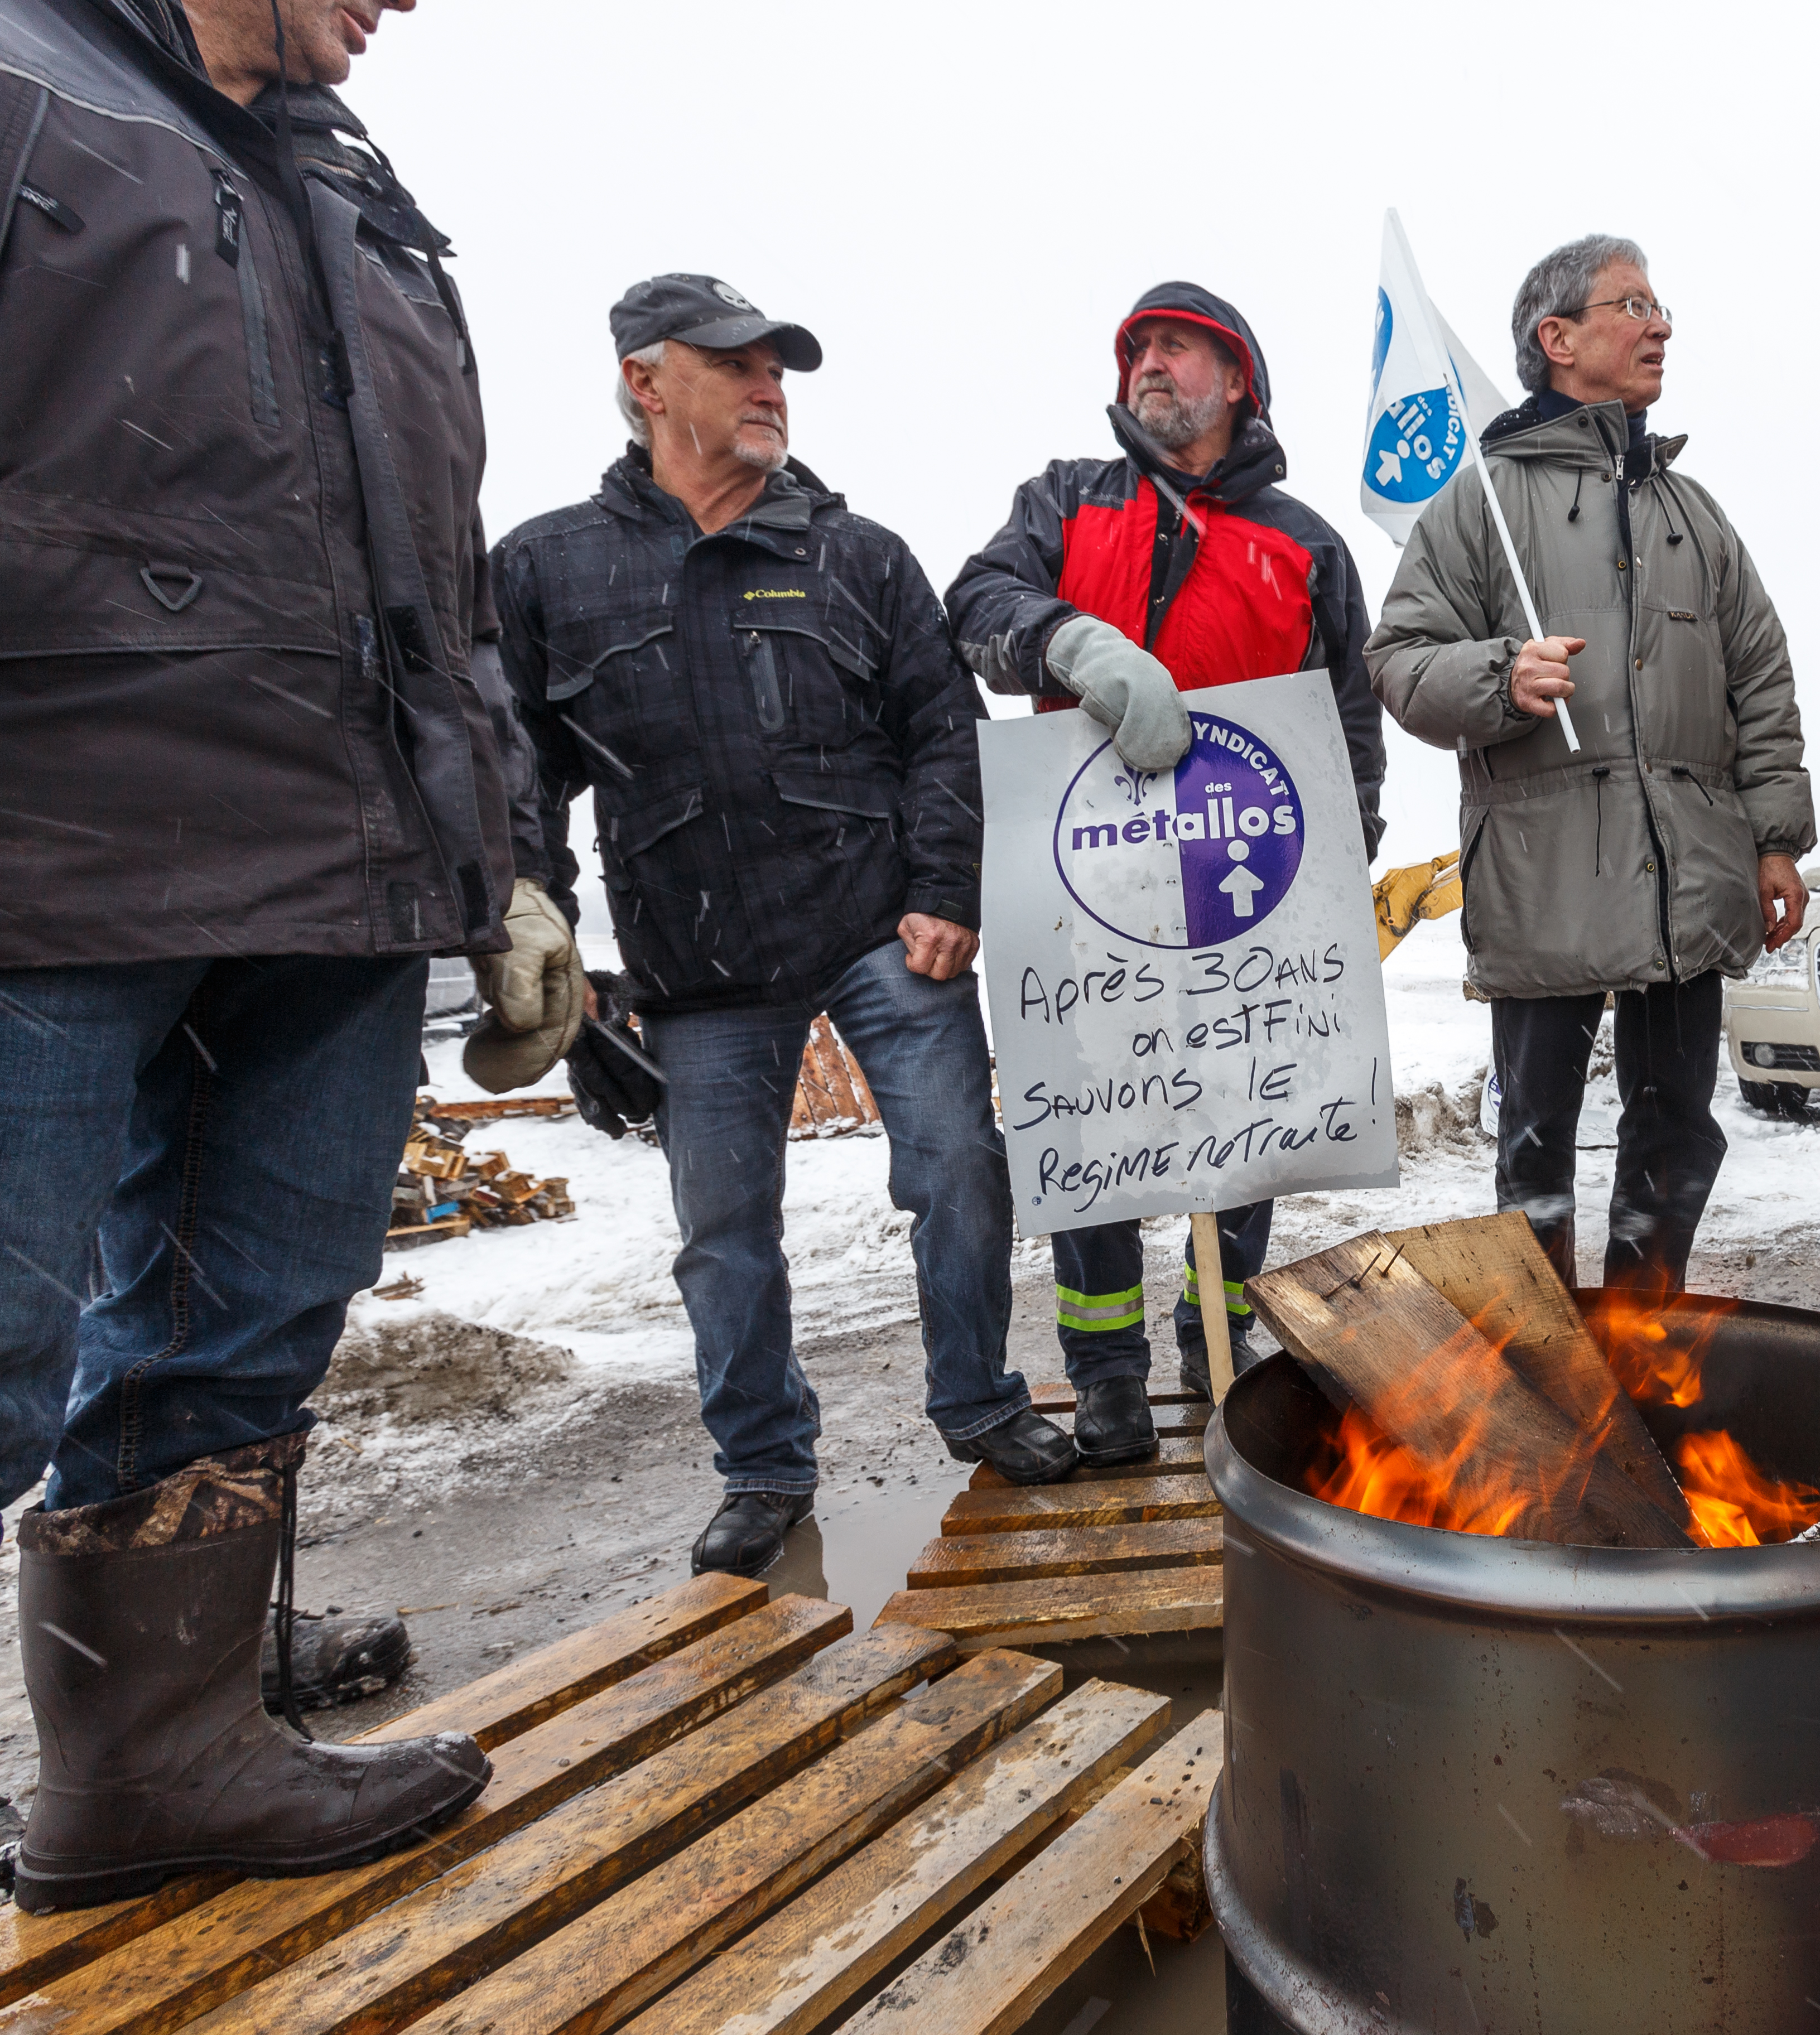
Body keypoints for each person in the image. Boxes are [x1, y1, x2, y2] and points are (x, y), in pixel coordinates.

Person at [0, 0, 561, 1909]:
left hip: (335, 866)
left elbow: (448, 580)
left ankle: (154, 1766)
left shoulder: (357, 190)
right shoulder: (20, 79)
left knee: (241, 1318)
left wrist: (500, 859)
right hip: (49, 840)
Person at [493, 275, 1080, 1581]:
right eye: (735, 365)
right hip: (695, 964)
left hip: (878, 925)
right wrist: (546, 935)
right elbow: (517, 766)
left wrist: (947, 890)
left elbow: (941, 731)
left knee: (956, 1167)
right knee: (724, 1229)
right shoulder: (548, 568)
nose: (770, 390)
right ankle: (761, 1464)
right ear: (649, 382)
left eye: (779, 369)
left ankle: (981, 1401)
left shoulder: (858, 556)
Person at [947, 283, 1386, 1415]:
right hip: (1085, 877)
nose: (1149, 363)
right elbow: (978, 605)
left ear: (1238, 379)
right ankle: (1104, 1374)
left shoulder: (1304, 545)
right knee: (1095, 1121)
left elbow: (1348, 724)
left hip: (1246, 883)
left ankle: (1218, 1333)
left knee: (1247, 1110)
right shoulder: (1065, 501)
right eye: (1137, 347)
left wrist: (1346, 869)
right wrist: (1070, 642)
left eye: (1178, 348)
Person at [1369, 236, 1812, 1298]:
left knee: (1674, 1128)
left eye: (1661, 307)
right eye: (1634, 305)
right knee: (1537, 1138)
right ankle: (1543, 1347)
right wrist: (1496, 675)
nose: (1661, 326)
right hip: (1543, 872)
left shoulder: (1694, 514)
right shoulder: (1479, 503)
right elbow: (1397, 660)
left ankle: (1645, 1329)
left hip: (1690, 876)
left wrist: (1777, 838)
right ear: (1557, 339)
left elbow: (1761, 677)